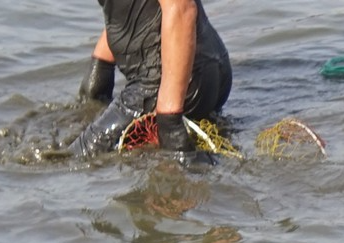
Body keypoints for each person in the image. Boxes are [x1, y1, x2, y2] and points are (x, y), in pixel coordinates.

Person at [71, 0, 232, 156]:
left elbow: (181, 7)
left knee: (70, 160)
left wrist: (169, 118)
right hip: (202, 69)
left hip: (163, 82)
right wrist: (101, 66)